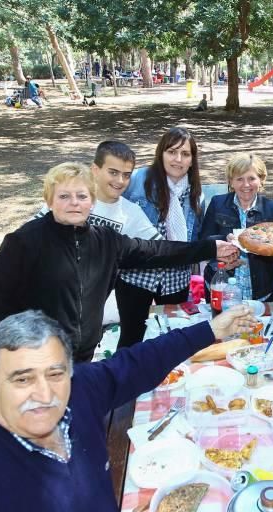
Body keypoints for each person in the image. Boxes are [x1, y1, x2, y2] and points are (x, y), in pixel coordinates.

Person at [0, 307, 257, 512]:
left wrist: (209, 330)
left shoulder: (78, 389)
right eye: (22, 379)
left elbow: (134, 365)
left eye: (55, 373)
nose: (44, 394)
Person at [0, 162, 237, 362]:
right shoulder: (24, 241)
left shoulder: (104, 241)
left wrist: (210, 248)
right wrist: (2, 356)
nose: (74, 203)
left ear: (92, 200)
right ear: (49, 200)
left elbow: (156, 250)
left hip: (83, 355)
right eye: (64, 196)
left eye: (81, 196)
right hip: (36, 355)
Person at [117, 127, 208, 348]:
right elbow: (114, 210)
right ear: (161, 153)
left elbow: (194, 238)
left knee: (172, 336)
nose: (178, 159)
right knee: (132, 337)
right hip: (136, 277)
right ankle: (127, 381)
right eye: (172, 152)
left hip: (175, 278)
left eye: (185, 154)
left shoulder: (196, 193)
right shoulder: (139, 180)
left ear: (192, 159)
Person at [200, 153, 273, 301]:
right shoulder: (217, 203)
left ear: (261, 180)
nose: (246, 185)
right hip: (222, 287)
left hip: (260, 291)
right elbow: (204, 242)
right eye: (239, 179)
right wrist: (223, 253)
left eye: (252, 178)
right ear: (231, 182)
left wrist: (263, 246)